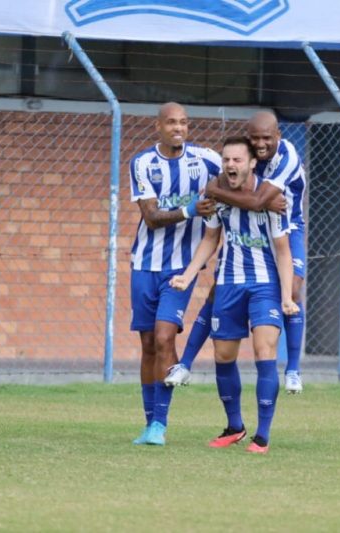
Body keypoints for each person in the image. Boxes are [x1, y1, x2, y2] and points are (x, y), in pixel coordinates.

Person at [170, 136, 299, 454]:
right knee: (224, 356)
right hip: (228, 283)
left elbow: (283, 251)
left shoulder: (272, 200)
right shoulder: (218, 197)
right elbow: (210, 239)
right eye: (226, 159)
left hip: (264, 285)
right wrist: (188, 274)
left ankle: (262, 436)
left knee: (264, 350)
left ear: (252, 163)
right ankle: (235, 426)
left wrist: (286, 296)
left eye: (237, 159)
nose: (230, 165)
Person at [128, 102, 221, 446]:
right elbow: (152, 218)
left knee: (165, 337)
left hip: (182, 268)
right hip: (144, 264)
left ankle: (160, 425)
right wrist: (191, 209)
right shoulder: (142, 163)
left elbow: (237, 173)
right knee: (148, 344)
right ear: (159, 126)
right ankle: (149, 423)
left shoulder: (206, 159)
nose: (178, 128)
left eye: (183, 122)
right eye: (171, 123)